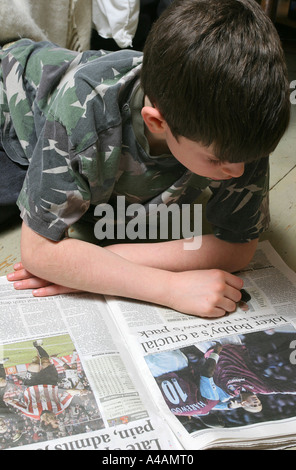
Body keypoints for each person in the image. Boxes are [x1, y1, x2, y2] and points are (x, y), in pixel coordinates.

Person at [1, 0, 291, 318]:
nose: (237, 171)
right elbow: (38, 252)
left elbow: (238, 247)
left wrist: (104, 263)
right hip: (15, 112)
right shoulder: (84, 111)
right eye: (215, 159)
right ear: (157, 122)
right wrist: (167, 287)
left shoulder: (238, 132)